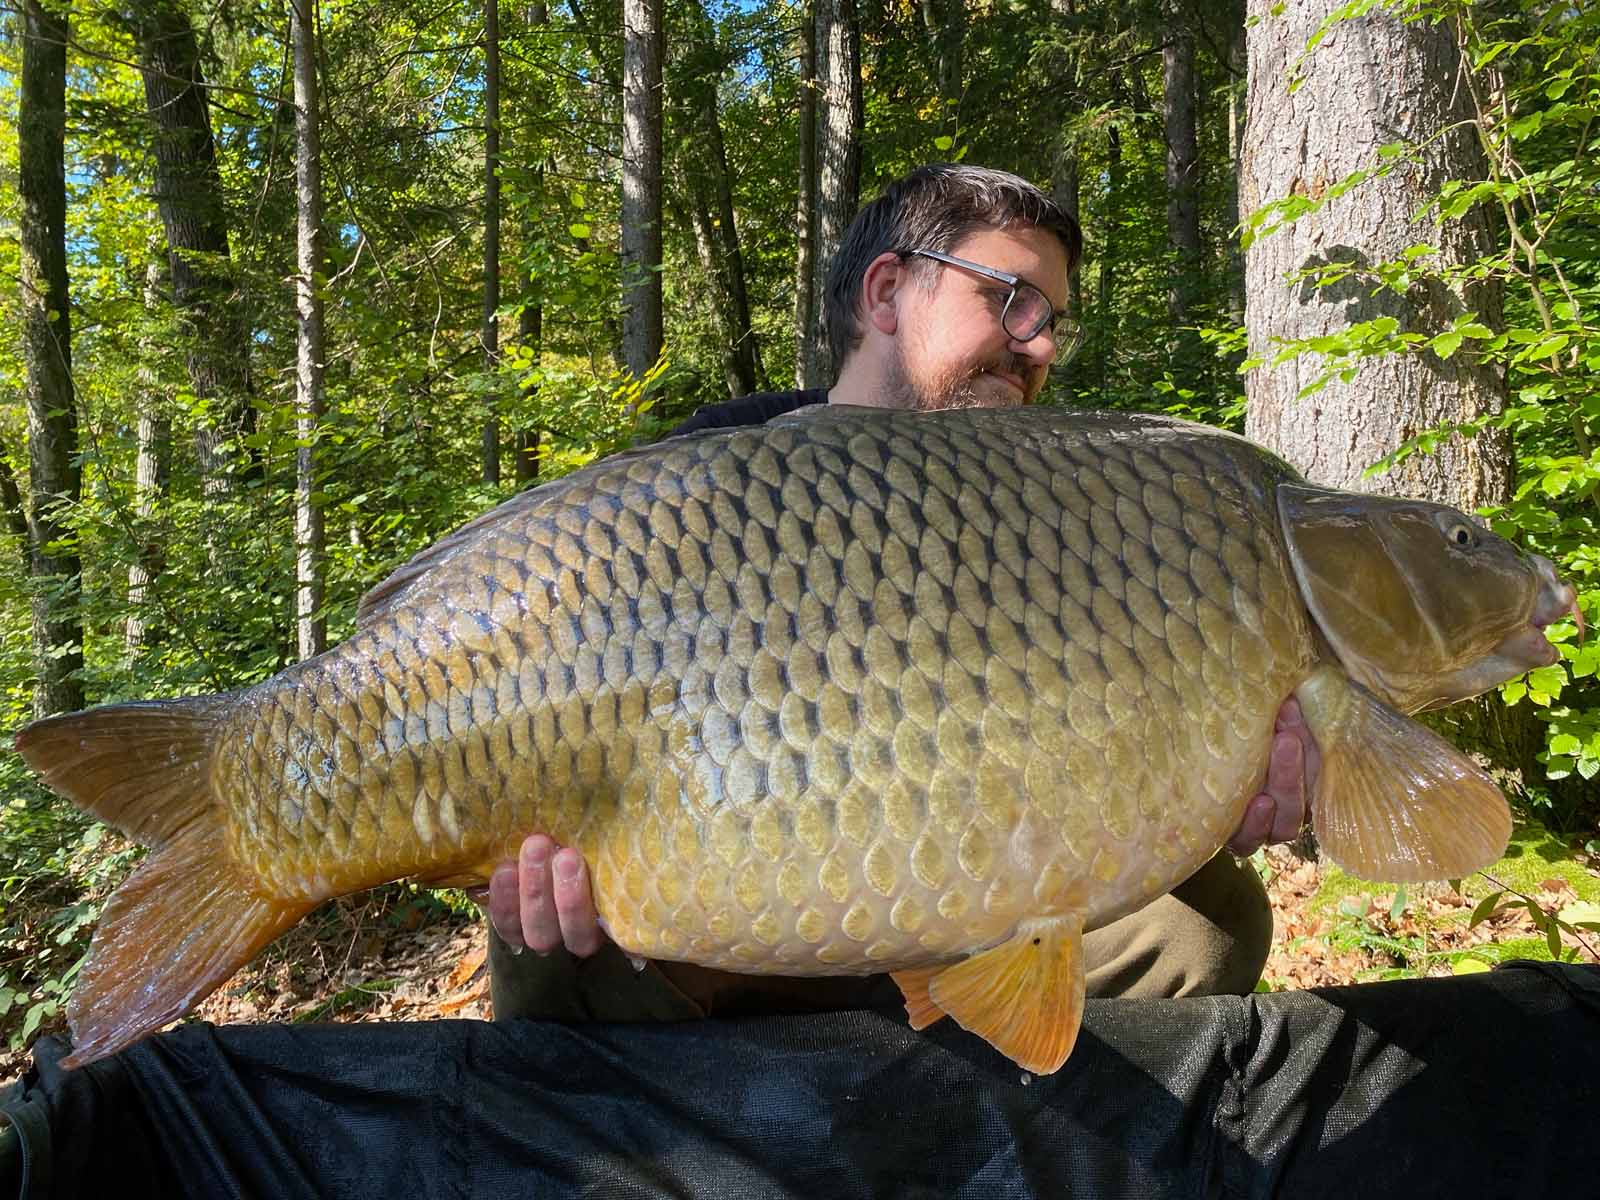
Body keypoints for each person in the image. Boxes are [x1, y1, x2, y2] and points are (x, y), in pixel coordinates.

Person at [481, 163, 1320, 1024]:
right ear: (888, 292)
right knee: (545, 942)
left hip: (962, 880)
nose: (1042, 349)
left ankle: (968, 1127)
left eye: (1052, 321)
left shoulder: (1060, 506)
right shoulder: (703, 485)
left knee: (1205, 924)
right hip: (735, 901)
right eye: (1014, 301)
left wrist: (1211, 779)